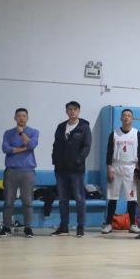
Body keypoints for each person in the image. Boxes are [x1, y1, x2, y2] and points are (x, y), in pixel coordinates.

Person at [51, 101, 92, 237]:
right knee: (63, 199)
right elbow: (56, 145)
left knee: (79, 199)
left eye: (75, 109)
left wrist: (78, 161)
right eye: (70, 109)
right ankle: (64, 227)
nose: (72, 111)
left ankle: (80, 227)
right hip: (60, 169)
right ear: (66, 111)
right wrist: (55, 161)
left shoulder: (84, 127)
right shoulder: (61, 127)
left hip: (76, 170)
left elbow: (86, 147)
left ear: (79, 111)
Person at [0, 108, 39, 238]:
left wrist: (22, 133)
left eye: (24, 116)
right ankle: (6, 228)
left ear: (27, 118)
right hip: (11, 170)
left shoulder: (33, 132)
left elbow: (32, 145)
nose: (21, 118)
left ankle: (28, 228)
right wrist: (23, 148)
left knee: (27, 201)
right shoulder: (8, 133)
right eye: (19, 116)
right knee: (8, 201)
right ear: (15, 118)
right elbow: (5, 148)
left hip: (28, 171)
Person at [103, 108, 140, 235]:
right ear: (120, 118)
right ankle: (108, 224)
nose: (126, 117)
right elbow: (109, 152)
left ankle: (133, 224)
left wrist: (139, 169)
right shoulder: (114, 134)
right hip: (116, 166)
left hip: (131, 168)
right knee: (112, 197)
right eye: (124, 115)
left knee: (132, 198)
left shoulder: (137, 134)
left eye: (129, 115)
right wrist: (109, 168)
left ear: (132, 118)